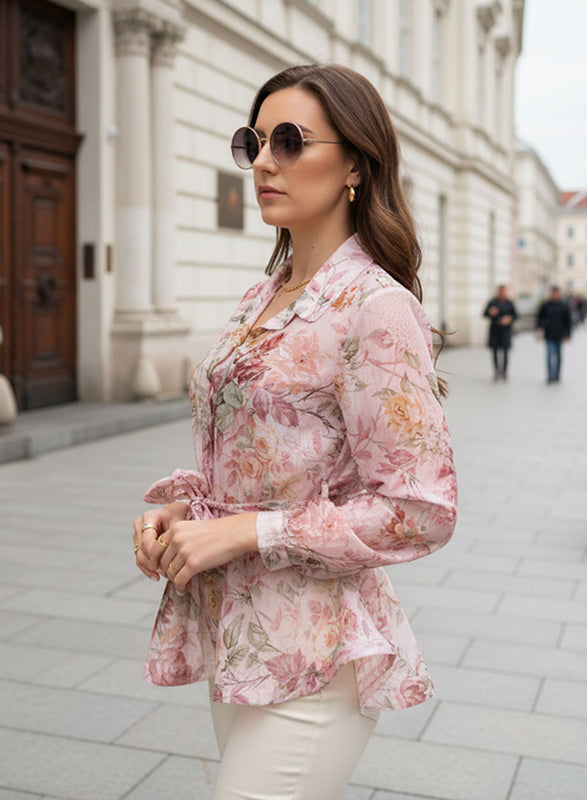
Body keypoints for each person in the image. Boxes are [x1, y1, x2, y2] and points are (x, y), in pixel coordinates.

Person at [132, 64, 457, 800]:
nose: (265, 161)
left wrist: (247, 533)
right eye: (254, 141)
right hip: (243, 639)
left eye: (290, 140)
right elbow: (261, 455)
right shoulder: (264, 294)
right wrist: (189, 517)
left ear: (353, 163)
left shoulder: (374, 305)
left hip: (319, 654)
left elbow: (420, 510)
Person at [536, 285, 572, 383]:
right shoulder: (546, 305)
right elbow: (539, 318)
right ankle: (550, 374)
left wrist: (568, 334)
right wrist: (539, 329)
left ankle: (557, 374)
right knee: (549, 355)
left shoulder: (563, 306)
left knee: (558, 356)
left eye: (556, 293)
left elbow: (568, 322)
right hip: (549, 334)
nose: (554, 295)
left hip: (560, 334)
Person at [483, 285, 517, 380]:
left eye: (503, 291)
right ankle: (496, 372)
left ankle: (504, 372)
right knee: (494, 353)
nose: (502, 293)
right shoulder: (492, 302)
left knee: (505, 352)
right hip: (495, 331)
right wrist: (490, 312)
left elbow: (515, 315)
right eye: (500, 291)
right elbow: (484, 313)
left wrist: (509, 319)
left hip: (505, 331)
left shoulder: (509, 303)